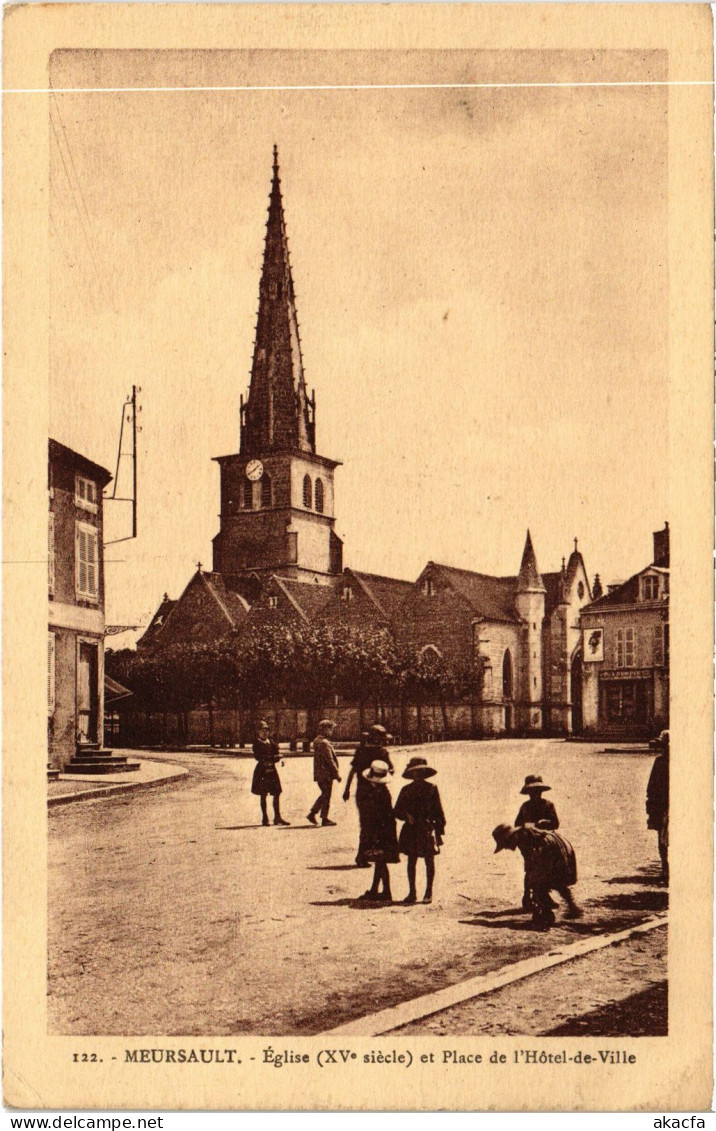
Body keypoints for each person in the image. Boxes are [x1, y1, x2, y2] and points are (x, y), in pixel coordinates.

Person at [492, 822, 582, 930]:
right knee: (553, 881)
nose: (506, 848)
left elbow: (535, 867)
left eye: (505, 844)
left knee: (542, 883)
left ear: (510, 838)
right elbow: (530, 866)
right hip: (556, 846)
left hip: (552, 849)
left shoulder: (525, 838)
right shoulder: (521, 837)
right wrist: (527, 892)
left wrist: (532, 891)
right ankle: (570, 908)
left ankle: (545, 915)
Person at [394, 756, 446, 904]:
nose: (418, 775)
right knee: (411, 861)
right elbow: (396, 810)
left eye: (420, 772)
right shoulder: (406, 790)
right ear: (411, 774)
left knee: (429, 861)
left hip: (426, 829)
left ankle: (428, 892)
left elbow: (439, 811)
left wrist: (439, 831)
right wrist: (406, 815)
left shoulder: (432, 788)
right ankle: (412, 892)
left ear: (424, 773)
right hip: (411, 829)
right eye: (415, 773)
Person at [343, 724, 394, 866]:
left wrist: (346, 790)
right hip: (380, 793)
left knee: (366, 825)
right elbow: (390, 771)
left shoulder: (360, 751)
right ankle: (379, 854)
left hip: (362, 792)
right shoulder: (382, 752)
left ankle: (363, 856)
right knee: (382, 823)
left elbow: (352, 771)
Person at [515, 775, 559, 911]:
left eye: (537, 792)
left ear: (541, 792)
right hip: (529, 842)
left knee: (547, 869)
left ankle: (543, 895)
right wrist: (526, 828)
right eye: (532, 792)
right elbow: (517, 824)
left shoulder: (548, 805)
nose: (535, 795)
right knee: (530, 869)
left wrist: (546, 823)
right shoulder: (525, 807)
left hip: (545, 841)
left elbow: (555, 823)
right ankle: (527, 895)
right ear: (528, 793)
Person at [358, 761, 400, 901]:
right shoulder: (382, 792)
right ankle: (375, 889)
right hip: (385, 829)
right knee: (379, 860)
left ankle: (386, 891)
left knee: (380, 861)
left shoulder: (379, 794)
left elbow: (377, 815)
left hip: (380, 831)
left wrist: (373, 833)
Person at [251, 720, 289, 826]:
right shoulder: (257, 744)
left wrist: (279, 758)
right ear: (258, 732)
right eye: (263, 730)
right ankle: (265, 818)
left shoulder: (271, 742)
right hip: (262, 771)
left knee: (277, 793)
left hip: (272, 770)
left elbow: (277, 753)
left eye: (267, 730)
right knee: (263, 795)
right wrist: (274, 757)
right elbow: (259, 757)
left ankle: (277, 817)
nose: (265, 732)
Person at [307, 719, 341, 826]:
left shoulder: (318, 740)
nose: (332, 731)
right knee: (326, 795)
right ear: (325, 730)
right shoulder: (324, 743)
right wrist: (336, 773)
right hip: (326, 774)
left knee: (324, 794)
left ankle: (313, 813)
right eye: (330, 729)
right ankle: (323, 817)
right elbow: (329, 760)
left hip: (320, 773)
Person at [646, 730, 669, 883]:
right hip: (668, 806)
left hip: (663, 806)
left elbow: (652, 786)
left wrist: (651, 805)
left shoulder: (660, 762)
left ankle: (665, 868)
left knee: (662, 838)